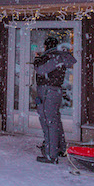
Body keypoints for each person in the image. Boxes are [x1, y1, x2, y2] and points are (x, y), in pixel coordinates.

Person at [32, 36, 77, 164]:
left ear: (47, 46)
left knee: (48, 121)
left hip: (48, 91)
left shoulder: (52, 57)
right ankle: (60, 149)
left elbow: (40, 70)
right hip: (55, 91)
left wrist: (37, 59)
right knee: (55, 120)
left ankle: (51, 154)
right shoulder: (59, 56)